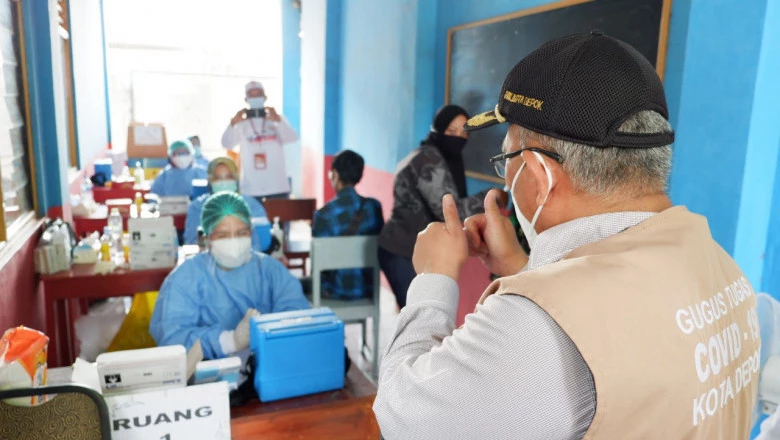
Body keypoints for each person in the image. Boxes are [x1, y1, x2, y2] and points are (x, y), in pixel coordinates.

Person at [373, 32, 760, 439]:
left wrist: (434, 279)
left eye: (507, 159)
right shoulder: (722, 266)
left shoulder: (535, 327)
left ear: (539, 176)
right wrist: (523, 271)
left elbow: (403, 418)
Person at [149, 192, 310, 360]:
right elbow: (173, 340)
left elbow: (298, 316)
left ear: (251, 233)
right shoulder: (186, 278)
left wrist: (274, 333)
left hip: (269, 368)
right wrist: (229, 341)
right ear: (207, 238)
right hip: (208, 379)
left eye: (241, 233)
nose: (234, 242)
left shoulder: (270, 270)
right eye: (222, 236)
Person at [378, 104, 507, 308]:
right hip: (403, 251)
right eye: (451, 131)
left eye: (464, 132)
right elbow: (447, 210)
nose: (459, 137)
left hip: (409, 249)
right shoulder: (429, 160)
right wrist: (494, 196)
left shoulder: (432, 154)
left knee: (411, 311)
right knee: (417, 317)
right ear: (438, 129)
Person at [312, 150, 384, 299]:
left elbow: (318, 263)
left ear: (336, 175)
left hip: (335, 290)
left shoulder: (323, 215)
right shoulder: (374, 207)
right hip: (369, 290)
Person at [220, 81, 298, 199]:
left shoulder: (277, 119)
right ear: (246, 99)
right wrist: (233, 124)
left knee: (281, 217)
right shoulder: (241, 124)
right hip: (251, 189)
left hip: (278, 187)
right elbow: (226, 144)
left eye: (259, 94)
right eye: (252, 95)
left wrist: (278, 121)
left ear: (265, 97)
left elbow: (292, 138)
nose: (256, 97)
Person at [183, 157, 272, 252]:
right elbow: (191, 243)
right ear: (209, 181)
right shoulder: (197, 207)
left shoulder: (252, 205)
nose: (223, 182)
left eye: (229, 177)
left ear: (236, 179)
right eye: (217, 178)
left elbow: (260, 242)